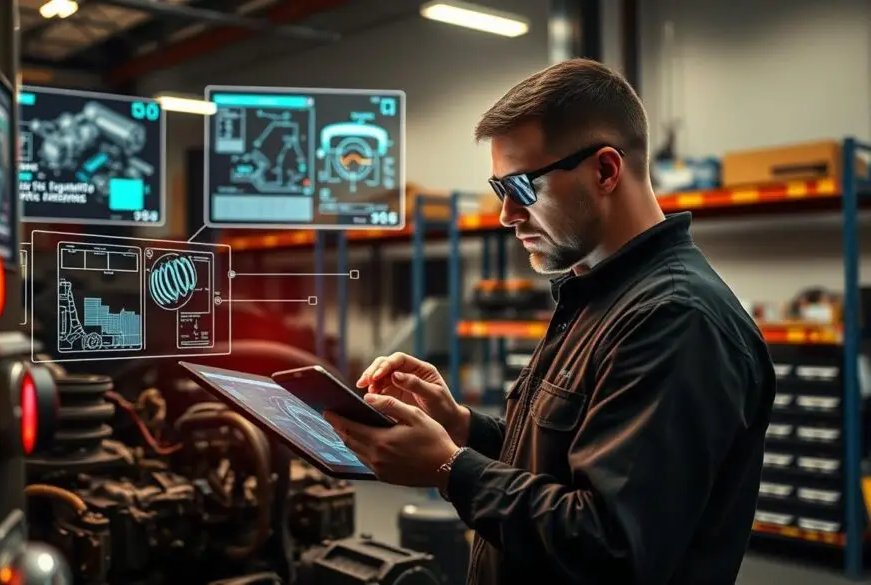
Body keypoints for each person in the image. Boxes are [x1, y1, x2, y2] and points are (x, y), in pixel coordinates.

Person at [324, 58, 776, 585]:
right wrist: (460, 427)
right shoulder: (594, 296)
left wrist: (449, 468)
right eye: (500, 192)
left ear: (606, 170)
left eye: (520, 188)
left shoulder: (676, 319)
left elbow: (612, 547)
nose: (506, 217)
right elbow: (560, 469)